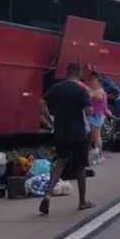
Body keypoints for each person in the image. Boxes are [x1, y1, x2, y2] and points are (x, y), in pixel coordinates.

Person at [40, 62, 95, 214]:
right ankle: (82, 201)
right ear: (79, 73)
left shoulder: (57, 88)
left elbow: (42, 103)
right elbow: (89, 111)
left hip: (60, 132)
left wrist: (50, 121)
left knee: (60, 163)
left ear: (67, 72)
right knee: (80, 167)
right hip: (77, 133)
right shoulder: (80, 89)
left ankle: (48, 194)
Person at [87, 75, 114, 163]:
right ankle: (99, 156)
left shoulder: (95, 92)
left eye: (94, 82)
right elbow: (105, 108)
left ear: (98, 83)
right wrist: (112, 116)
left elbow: (86, 97)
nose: (92, 83)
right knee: (96, 137)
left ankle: (96, 157)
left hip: (94, 116)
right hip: (100, 115)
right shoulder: (103, 93)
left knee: (96, 138)